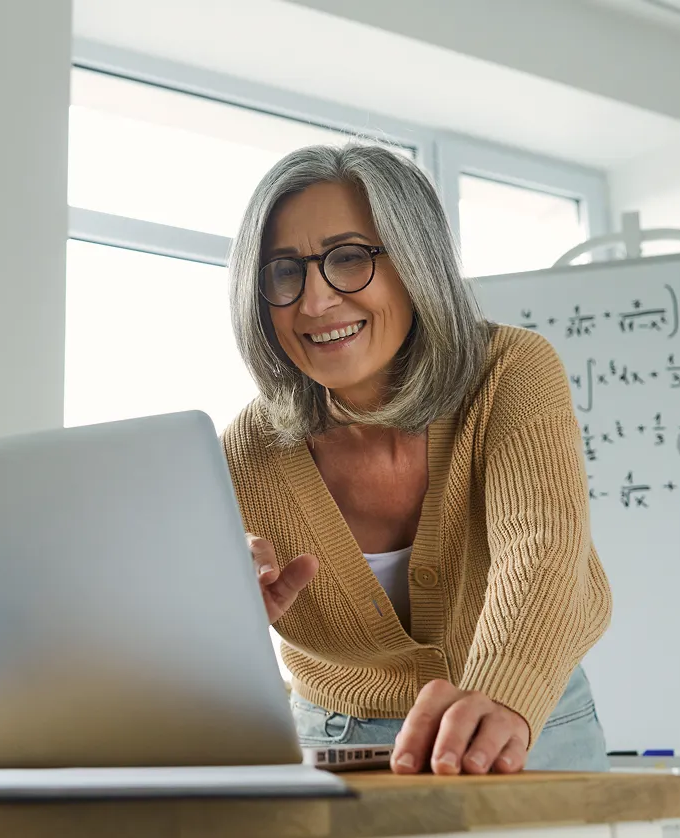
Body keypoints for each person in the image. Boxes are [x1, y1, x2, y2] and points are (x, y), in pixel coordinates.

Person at [221, 143, 612, 775]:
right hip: (339, 739)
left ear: (415, 263)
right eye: (284, 272)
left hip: (524, 715)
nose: (315, 302)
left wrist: (502, 691)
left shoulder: (510, 371)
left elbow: (539, 545)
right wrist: (221, 616)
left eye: (349, 259)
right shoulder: (247, 449)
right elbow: (198, 652)